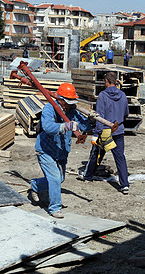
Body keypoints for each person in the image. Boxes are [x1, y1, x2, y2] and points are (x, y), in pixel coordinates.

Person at [29, 83, 92, 219]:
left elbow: (83, 125)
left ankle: (35, 184)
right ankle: (55, 208)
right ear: (60, 99)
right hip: (46, 150)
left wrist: (91, 120)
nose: (70, 105)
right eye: (67, 102)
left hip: (61, 151)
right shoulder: (49, 108)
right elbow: (48, 126)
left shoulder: (71, 111)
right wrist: (66, 126)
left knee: (60, 178)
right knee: (55, 178)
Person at [78, 71, 130, 195]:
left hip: (105, 132)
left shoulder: (102, 96)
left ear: (106, 81)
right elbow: (126, 113)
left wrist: (96, 134)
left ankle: (88, 176)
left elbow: (99, 116)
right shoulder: (123, 95)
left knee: (96, 153)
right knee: (120, 157)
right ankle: (124, 185)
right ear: (116, 81)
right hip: (119, 130)